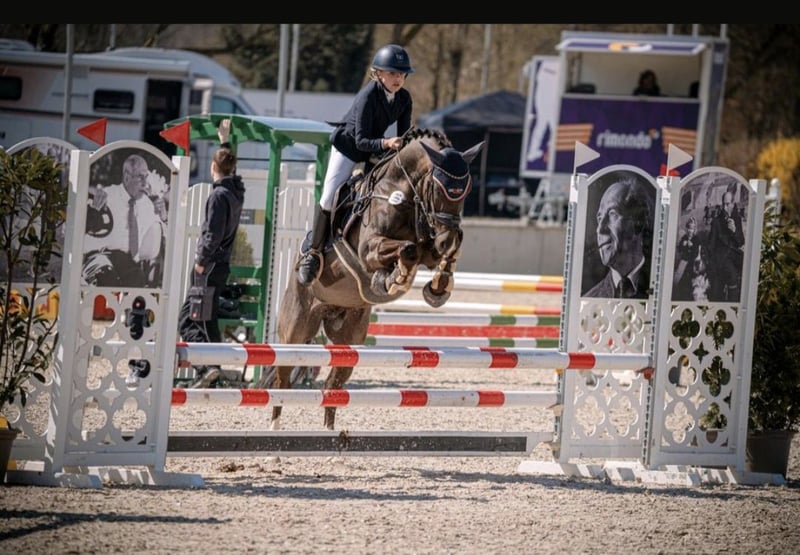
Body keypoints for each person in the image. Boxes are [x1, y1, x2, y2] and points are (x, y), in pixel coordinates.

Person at [296, 44, 415, 286]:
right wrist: (386, 143)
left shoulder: (404, 99)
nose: (398, 79)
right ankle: (313, 252)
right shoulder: (367, 96)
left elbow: (404, 137)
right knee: (329, 198)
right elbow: (361, 140)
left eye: (402, 74)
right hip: (349, 147)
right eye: (393, 73)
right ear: (378, 73)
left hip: (376, 148)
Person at [177, 119, 245, 388]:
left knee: (190, 320)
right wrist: (224, 140)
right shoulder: (235, 191)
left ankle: (208, 367)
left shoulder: (218, 196)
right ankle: (210, 369)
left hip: (210, 265)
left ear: (212, 167)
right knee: (206, 318)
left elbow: (212, 235)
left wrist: (200, 260)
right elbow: (232, 170)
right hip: (221, 265)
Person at [83, 153, 168, 288]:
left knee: (137, 280)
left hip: (126, 260)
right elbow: (83, 225)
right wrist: (94, 208)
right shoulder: (107, 195)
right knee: (107, 278)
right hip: (98, 256)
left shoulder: (147, 204)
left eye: (146, 176)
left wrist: (164, 217)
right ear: (127, 176)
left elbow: (164, 237)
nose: (145, 183)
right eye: (140, 177)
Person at [584, 174, 654, 299]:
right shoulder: (591, 299)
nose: (600, 229)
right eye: (599, 218)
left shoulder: (663, 291)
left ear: (638, 223)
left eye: (612, 214)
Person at [707, 189, 745, 302]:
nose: (724, 207)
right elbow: (711, 246)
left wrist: (734, 231)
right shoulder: (716, 221)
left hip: (734, 257)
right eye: (723, 204)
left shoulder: (737, 219)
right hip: (721, 259)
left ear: (733, 204)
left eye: (728, 204)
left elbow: (741, 242)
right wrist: (712, 263)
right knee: (730, 276)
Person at [673, 216, 709, 301]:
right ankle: (679, 294)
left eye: (692, 229)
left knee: (691, 281)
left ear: (694, 230)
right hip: (684, 261)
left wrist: (692, 246)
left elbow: (696, 253)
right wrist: (683, 245)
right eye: (689, 228)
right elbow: (679, 249)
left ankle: (689, 295)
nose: (690, 231)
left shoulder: (696, 239)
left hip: (692, 263)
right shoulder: (684, 238)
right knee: (678, 278)